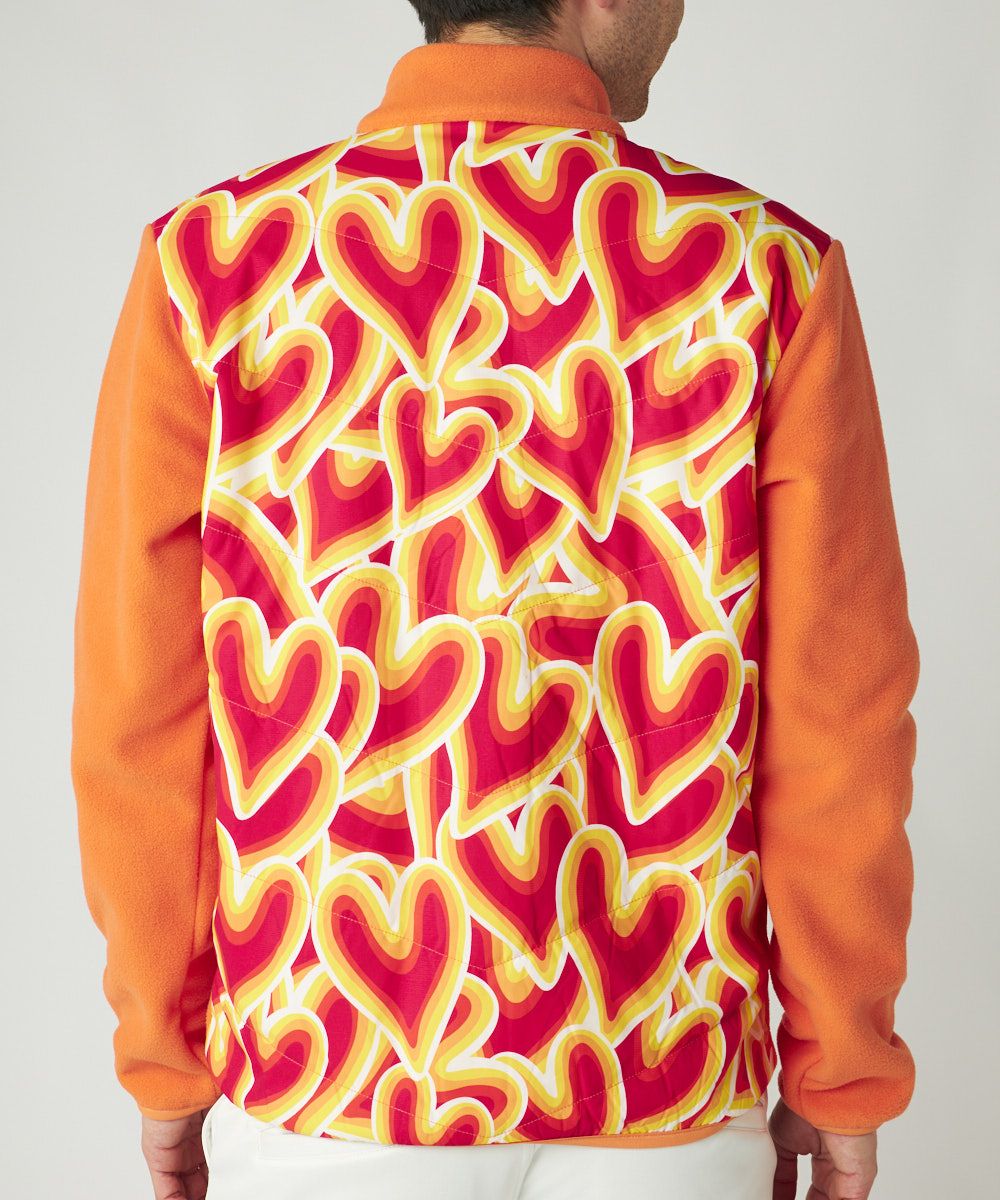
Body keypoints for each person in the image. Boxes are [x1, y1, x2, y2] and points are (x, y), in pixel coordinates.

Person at [70, 2, 920, 1198]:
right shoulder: (763, 270)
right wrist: (841, 1069)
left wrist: (164, 1058)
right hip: (660, 1080)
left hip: (334, 1082)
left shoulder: (213, 264)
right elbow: (839, 728)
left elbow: (140, 721)